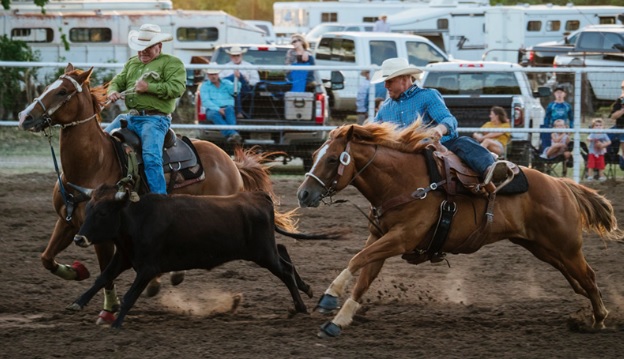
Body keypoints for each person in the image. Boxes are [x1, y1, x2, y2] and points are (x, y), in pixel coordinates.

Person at [371, 58, 510, 192]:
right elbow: (373, 131)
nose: (385, 86)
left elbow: (448, 120)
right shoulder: (385, 108)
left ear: (404, 78)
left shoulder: (428, 96)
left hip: (434, 146)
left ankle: (490, 169)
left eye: (389, 81)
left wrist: (439, 129)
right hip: (403, 154)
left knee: (462, 143)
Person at [105, 23, 186, 194]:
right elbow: (117, 81)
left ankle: (159, 200)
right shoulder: (132, 64)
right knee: (103, 140)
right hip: (130, 117)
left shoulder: (172, 63)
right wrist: (113, 91)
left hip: (155, 120)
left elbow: (177, 88)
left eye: (147, 48)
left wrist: (149, 87)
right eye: (140, 48)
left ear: (159, 46)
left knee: (151, 158)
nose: (142, 52)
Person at [199, 69, 242, 144]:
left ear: (218, 74)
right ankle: (232, 133)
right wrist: (218, 109)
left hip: (227, 106)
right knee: (214, 114)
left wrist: (236, 79)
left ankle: (232, 134)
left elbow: (235, 91)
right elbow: (206, 101)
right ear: (208, 75)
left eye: (215, 74)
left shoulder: (226, 83)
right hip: (212, 109)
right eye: (211, 74)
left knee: (230, 110)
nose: (213, 76)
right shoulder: (205, 86)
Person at [219, 46, 260, 119]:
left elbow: (256, 81)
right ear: (230, 56)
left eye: (238, 55)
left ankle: (238, 112)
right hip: (229, 90)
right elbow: (220, 81)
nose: (236, 57)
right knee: (234, 83)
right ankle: (239, 112)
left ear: (241, 55)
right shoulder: (225, 67)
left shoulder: (249, 66)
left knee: (237, 78)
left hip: (245, 90)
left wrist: (246, 80)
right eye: (234, 56)